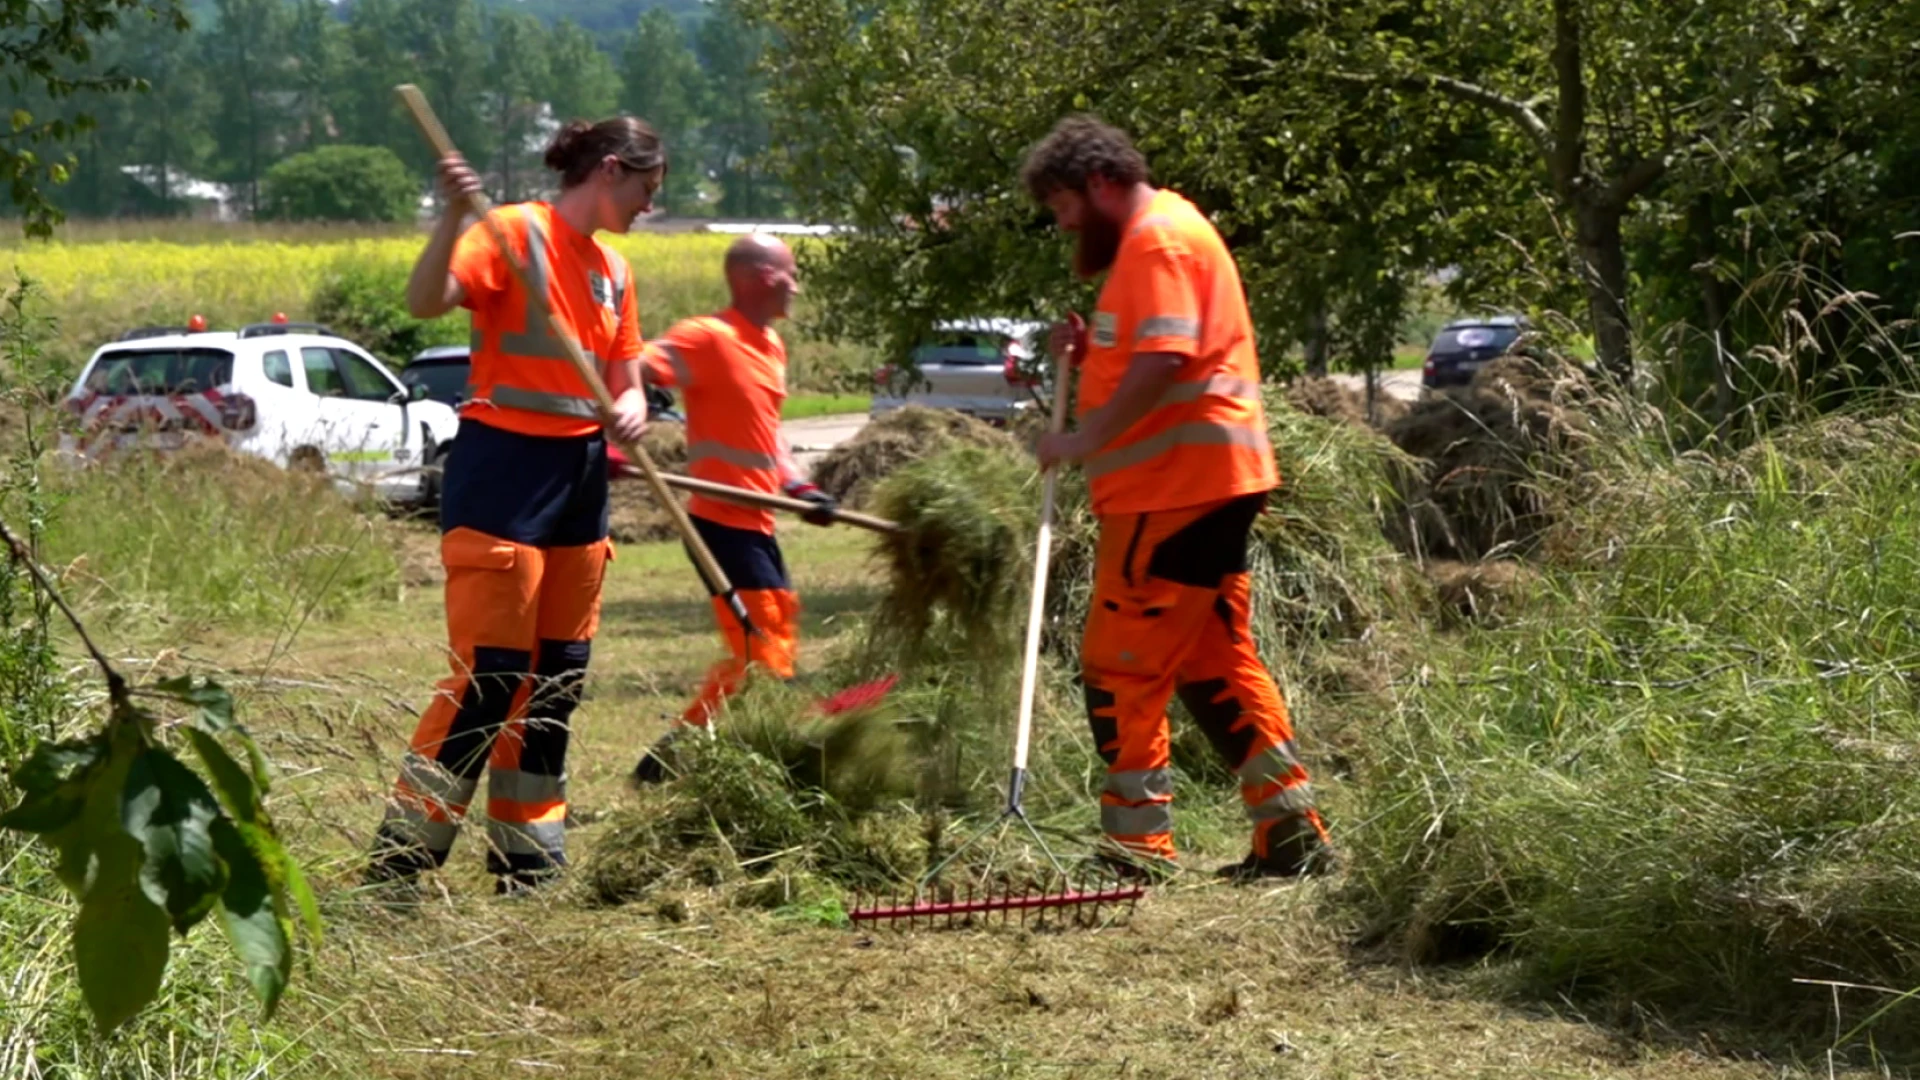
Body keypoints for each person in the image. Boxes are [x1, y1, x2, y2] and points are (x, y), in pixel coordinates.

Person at [1021, 115, 1336, 881]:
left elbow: (1164, 363)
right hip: (1216, 484)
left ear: (1099, 182)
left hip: (1171, 493)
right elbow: (1164, 352)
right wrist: (1090, 351)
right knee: (1213, 662)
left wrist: (1081, 440)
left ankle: (1134, 851)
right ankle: (1291, 833)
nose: (1061, 223)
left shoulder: (1156, 241)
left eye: (1062, 204)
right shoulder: (1175, 230)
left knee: (1119, 664)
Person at [364, 117, 663, 895]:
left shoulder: (615, 274)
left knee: (557, 676)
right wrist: (451, 219)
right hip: (503, 466)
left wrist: (632, 410)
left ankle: (528, 866)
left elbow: (625, 377)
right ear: (609, 170)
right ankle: (400, 866)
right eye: (646, 189)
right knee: (490, 678)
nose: (647, 206)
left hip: (581, 472)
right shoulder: (509, 235)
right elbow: (426, 299)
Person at [625, 234, 838, 784]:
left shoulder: (770, 346)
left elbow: (770, 440)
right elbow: (629, 365)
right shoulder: (708, 337)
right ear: (763, 277)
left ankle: (687, 753)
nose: (797, 285)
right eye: (791, 274)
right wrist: (618, 432)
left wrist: (801, 490)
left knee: (774, 637)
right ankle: (682, 759)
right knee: (764, 652)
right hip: (719, 522)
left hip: (758, 518)